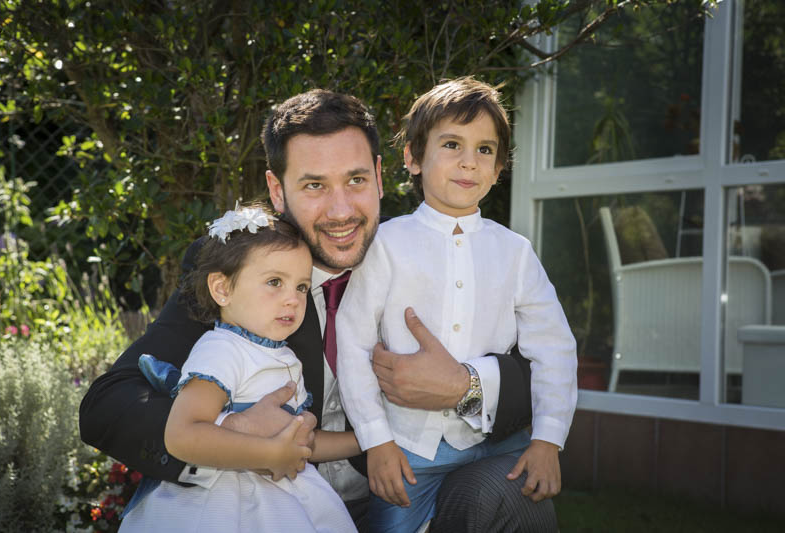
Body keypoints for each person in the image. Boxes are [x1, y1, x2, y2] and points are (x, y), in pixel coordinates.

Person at [79, 88, 558, 532]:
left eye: (356, 180)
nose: (341, 210)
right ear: (277, 190)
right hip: (269, 504)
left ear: (379, 175)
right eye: (314, 186)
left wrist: (464, 385)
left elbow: (538, 365)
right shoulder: (246, 269)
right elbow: (109, 404)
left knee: (513, 493)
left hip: (399, 489)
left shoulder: (422, 250)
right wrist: (231, 432)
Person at [336, 77, 577, 532]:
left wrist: (548, 439)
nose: (469, 161)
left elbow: (554, 348)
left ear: (499, 168)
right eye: (452, 144)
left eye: (485, 150)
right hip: (408, 451)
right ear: (413, 157)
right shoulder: (386, 244)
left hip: (500, 445)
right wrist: (376, 441)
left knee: (523, 515)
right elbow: (353, 344)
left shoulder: (515, 252)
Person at [119, 204, 357, 532]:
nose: (293, 299)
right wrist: (268, 454)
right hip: (224, 498)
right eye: (275, 282)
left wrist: (367, 441)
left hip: (287, 491)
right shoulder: (221, 350)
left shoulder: (284, 357)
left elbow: (303, 441)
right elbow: (181, 435)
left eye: (301, 287)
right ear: (222, 289)